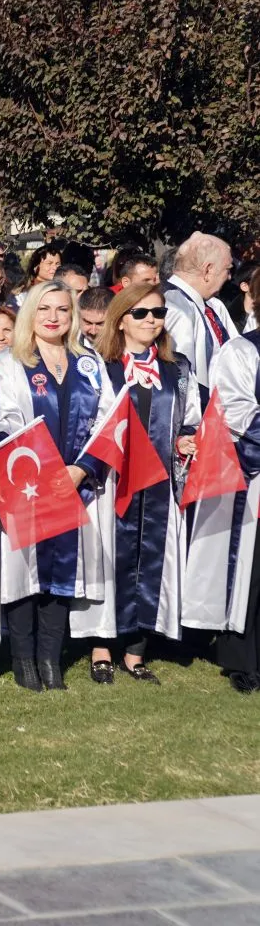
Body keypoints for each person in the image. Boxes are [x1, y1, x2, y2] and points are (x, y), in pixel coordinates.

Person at [0, 280, 115, 692]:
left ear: (73, 315)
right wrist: (40, 465)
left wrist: (81, 468)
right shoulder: (11, 361)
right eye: (44, 309)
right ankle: (23, 660)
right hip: (27, 481)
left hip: (75, 481)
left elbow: (108, 419)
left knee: (61, 572)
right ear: (30, 312)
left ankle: (51, 659)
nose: (53, 317)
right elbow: (5, 417)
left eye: (62, 310)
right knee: (26, 571)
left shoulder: (88, 362)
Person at [84, 286, 196, 686]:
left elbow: (190, 421)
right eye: (141, 312)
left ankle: (136, 649)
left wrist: (185, 439)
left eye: (158, 313)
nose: (151, 319)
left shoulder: (178, 369)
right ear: (121, 317)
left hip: (159, 483)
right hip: (111, 481)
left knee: (152, 559)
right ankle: (101, 646)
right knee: (109, 558)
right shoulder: (97, 365)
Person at [206, 283, 260, 693]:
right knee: (252, 571)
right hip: (255, 475)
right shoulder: (243, 352)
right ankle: (246, 659)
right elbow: (237, 416)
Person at [162, 232, 237, 400]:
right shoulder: (175, 307)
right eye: (228, 269)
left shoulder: (210, 304)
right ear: (208, 270)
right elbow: (181, 378)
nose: (230, 276)